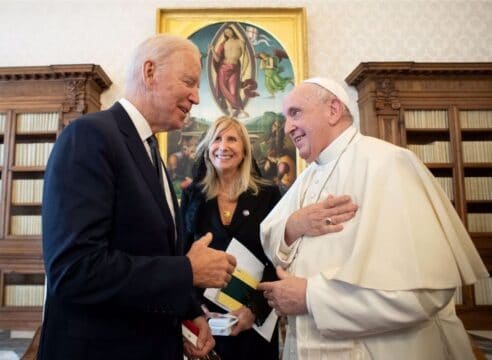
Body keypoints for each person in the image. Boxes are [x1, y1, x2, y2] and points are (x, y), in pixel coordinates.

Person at [259, 77, 489, 359]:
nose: (287, 127)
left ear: (333, 110)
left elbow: (425, 294)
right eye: (285, 118)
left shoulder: (388, 163)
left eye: (295, 113)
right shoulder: (308, 177)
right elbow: (271, 238)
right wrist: (293, 226)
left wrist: (310, 297)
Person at [39, 34, 237, 360]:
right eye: (188, 81)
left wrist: (187, 310)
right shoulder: (91, 136)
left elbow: (147, 250)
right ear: (149, 73)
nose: (197, 97)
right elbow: (75, 269)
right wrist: (187, 271)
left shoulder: (149, 148)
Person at [181, 116, 357, 359]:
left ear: (244, 151)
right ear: (208, 149)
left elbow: (281, 257)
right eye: (217, 139)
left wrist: (254, 310)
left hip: (254, 319)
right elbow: (182, 256)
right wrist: (194, 311)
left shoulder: (269, 195)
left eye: (232, 139)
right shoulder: (193, 195)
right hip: (206, 323)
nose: (223, 146)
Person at [210, 25, 254, 118]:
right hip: (223, 68)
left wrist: (244, 70)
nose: (228, 33)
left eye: (229, 31)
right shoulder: (223, 44)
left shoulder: (240, 42)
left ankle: (241, 110)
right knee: (225, 90)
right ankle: (230, 111)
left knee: (234, 91)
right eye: (226, 32)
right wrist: (213, 50)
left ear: (233, 31)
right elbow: (217, 59)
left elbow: (246, 58)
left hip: (235, 68)